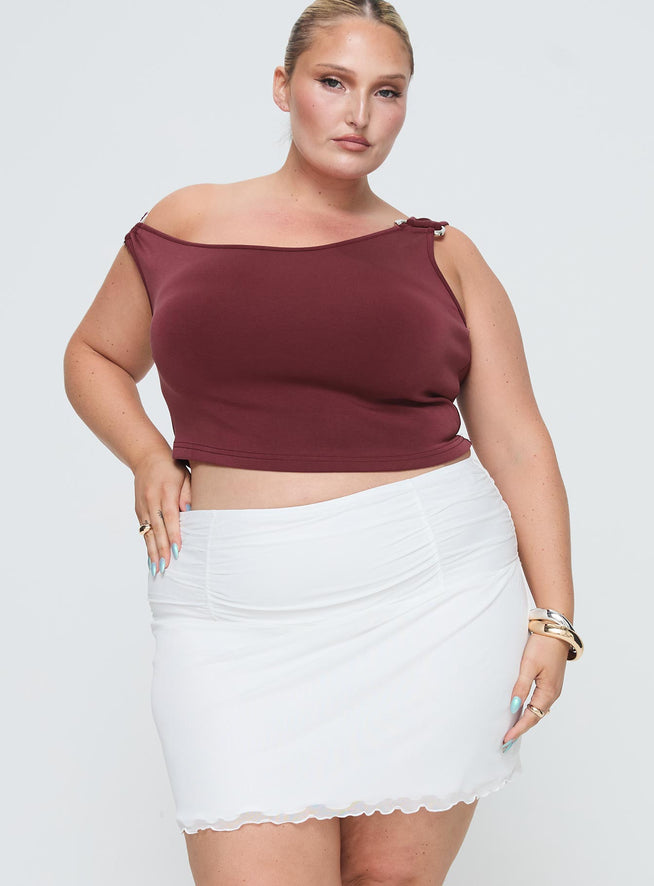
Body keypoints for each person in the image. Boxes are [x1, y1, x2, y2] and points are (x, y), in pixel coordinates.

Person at [63, 1, 584, 884]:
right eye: (334, 83)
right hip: (230, 616)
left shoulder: (442, 254)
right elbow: (94, 355)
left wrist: (555, 619)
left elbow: (521, 444)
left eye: (388, 92)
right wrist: (148, 453)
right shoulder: (186, 222)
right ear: (284, 86)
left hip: (431, 602)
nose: (359, 114)